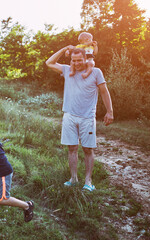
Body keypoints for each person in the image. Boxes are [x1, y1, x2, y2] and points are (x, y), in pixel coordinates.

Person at [46, 46, 114, 192]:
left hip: (87, 117)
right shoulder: (66, 70)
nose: (76, 63)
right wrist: (65, 48)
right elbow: (49, 62)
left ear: (86, 59)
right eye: (74, 60)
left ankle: (88, 181)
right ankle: (73, 178)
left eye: (79, 60)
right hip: (69, 115)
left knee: (87, 149)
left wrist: (110, 111)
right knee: (72, 148)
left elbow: (104, 91)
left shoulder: (95, 72)